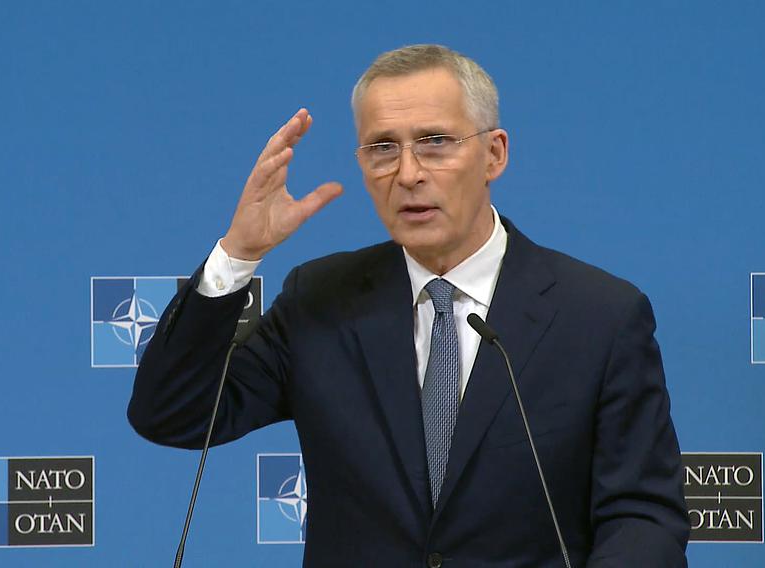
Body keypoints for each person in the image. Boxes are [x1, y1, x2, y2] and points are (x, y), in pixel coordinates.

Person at [128, 44, 689, 567]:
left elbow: (643, 515)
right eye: (382, 148)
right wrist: (238, 253)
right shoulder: (319, 300)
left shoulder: (599, 315)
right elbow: (175, 416)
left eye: (435, 142)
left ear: (493, 154)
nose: (408, 173)